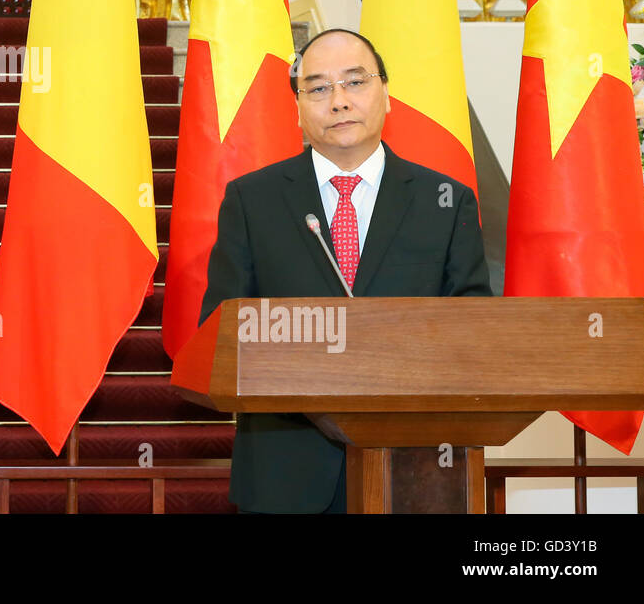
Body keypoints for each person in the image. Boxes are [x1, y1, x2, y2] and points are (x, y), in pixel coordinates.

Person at [199, 28, 492, 514]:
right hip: (284, 473)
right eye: (317, 88)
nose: (338, 101)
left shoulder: (446, 201)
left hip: (415, 470)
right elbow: (222, 335)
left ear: (386, 95)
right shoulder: (253, 201)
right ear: (297, 106)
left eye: (355, 83)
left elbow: (475, 332)